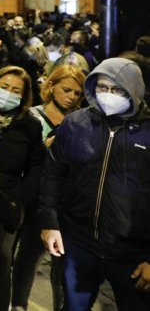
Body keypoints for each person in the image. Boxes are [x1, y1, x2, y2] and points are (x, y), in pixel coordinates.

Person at [40, 57, 150, 311]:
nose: (108, 95)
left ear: (134, 89)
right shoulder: (75, 124)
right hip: (79, 244)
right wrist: (50, 223)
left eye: (117, 89)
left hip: (133, 254)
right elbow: (54, 175)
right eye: (102, 87)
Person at [11, 64, 85, 311]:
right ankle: (19, 303)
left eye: (77, 93)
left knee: (62, 261)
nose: (72, 97)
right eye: (67, 90)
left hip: (66, 200)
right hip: (35, 198)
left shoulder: (81, 121)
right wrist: (45, 147)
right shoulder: (31, 115)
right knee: (29, 254)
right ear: (51, 86)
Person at [0, 66, 45, 311]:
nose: (9, 93)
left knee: (1, 263)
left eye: (16, 90)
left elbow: (37, 165)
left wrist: (22, 195)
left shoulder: (30, 125)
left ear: (24, 96)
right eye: (4, 87)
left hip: (7, 203)